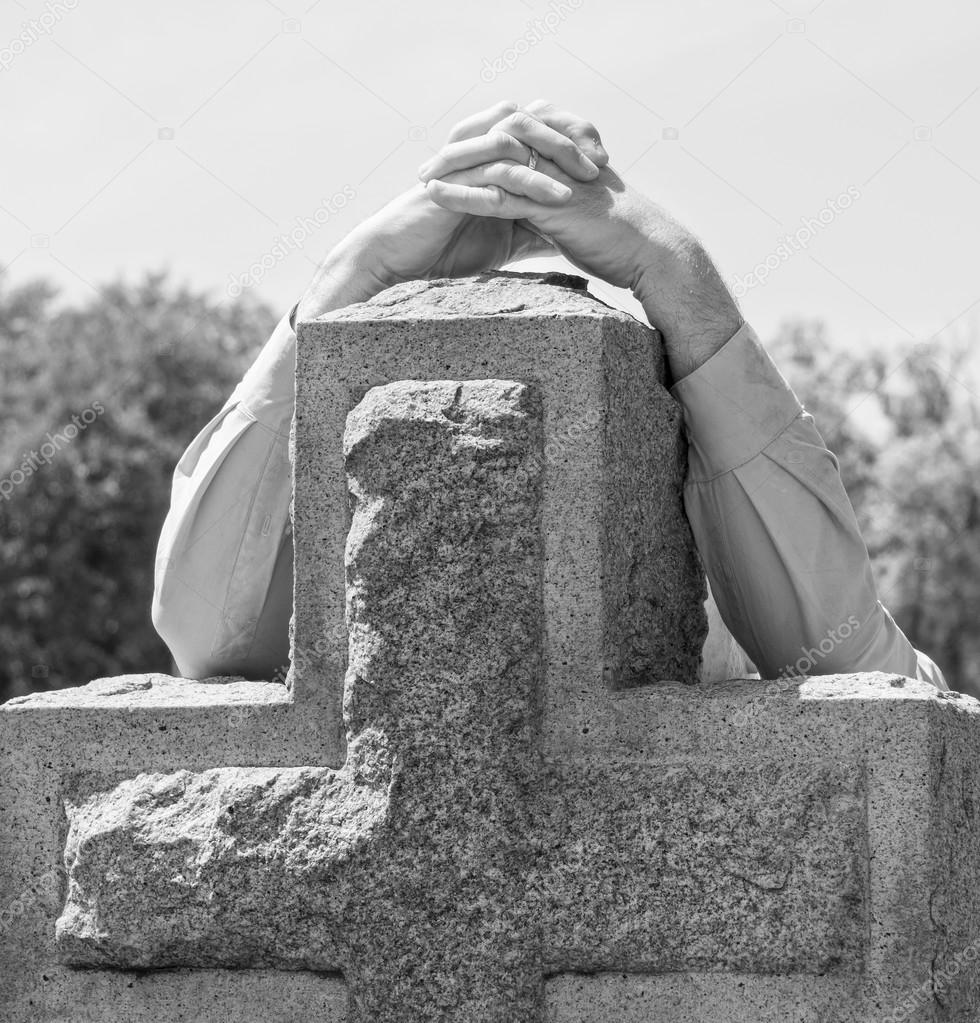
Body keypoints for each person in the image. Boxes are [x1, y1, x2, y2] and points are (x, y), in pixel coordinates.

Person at [151, 99, 948, 691]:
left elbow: (870, 687)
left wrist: (674, 274)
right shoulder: (352, 613)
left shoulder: (713, 631)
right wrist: (348, 284)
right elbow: (200, 630)